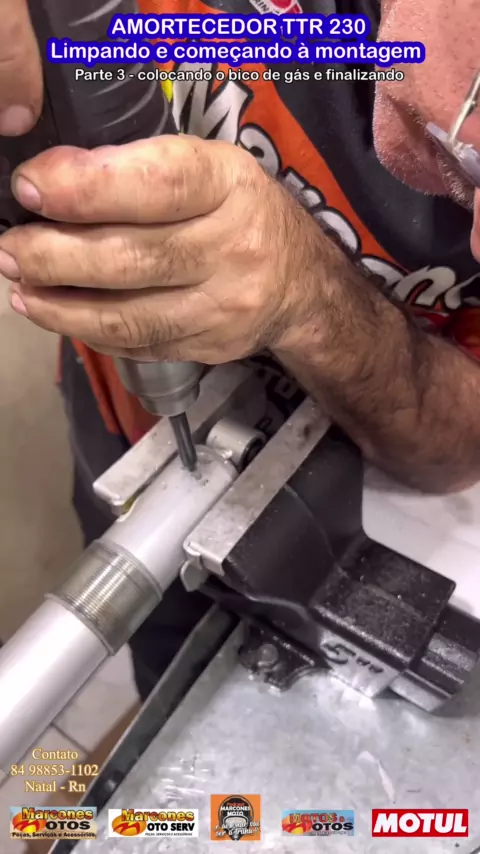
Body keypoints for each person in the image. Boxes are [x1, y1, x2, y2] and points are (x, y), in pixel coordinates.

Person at [0, 0, 479, 697]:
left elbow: (464, 440)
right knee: (160, 667)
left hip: (356, 507)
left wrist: (312, 294)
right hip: (124, 428)